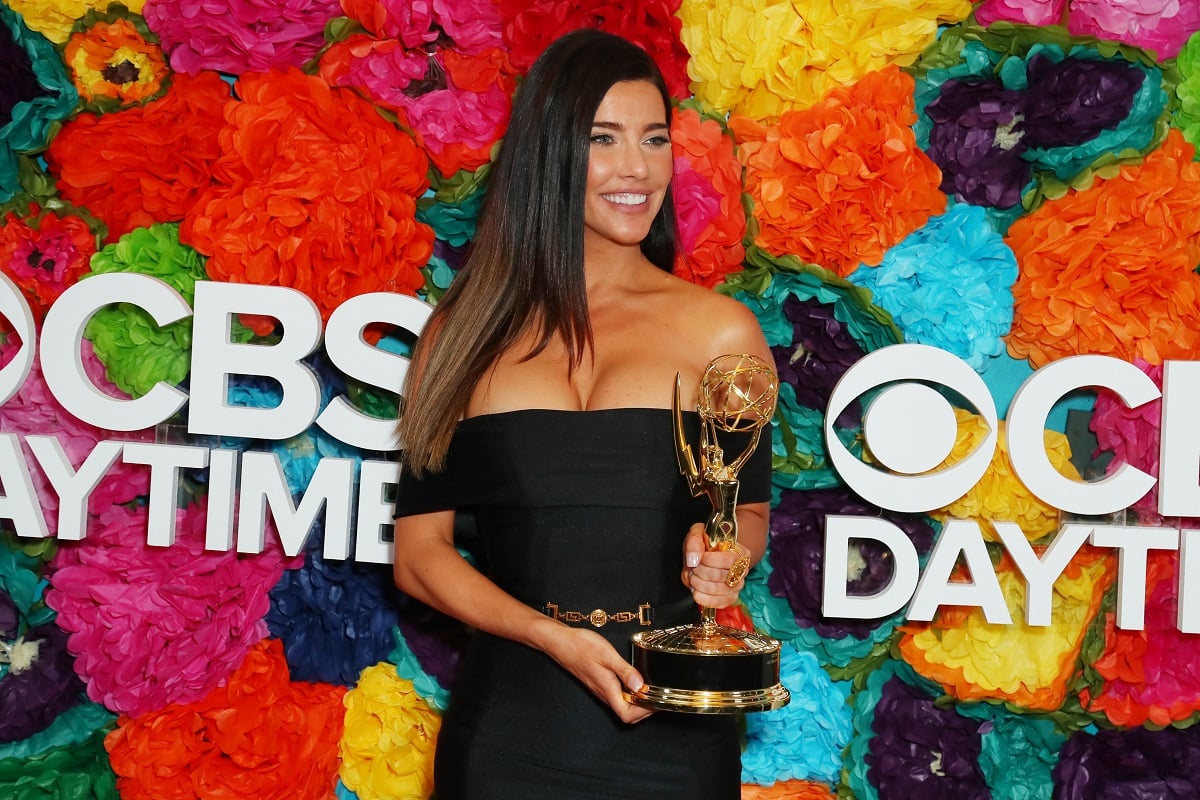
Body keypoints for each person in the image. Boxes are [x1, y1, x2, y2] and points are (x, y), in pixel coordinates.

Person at [392, 28, 774, 800]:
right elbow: (419, 557)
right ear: (549, 154)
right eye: (604, 139)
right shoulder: (463, 333)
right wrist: (549, 638)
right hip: (509, 731)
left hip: (671, 733)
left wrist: (726, 558)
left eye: (655, 138)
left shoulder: (721, 332)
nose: (637, 168)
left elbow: (747, 514)